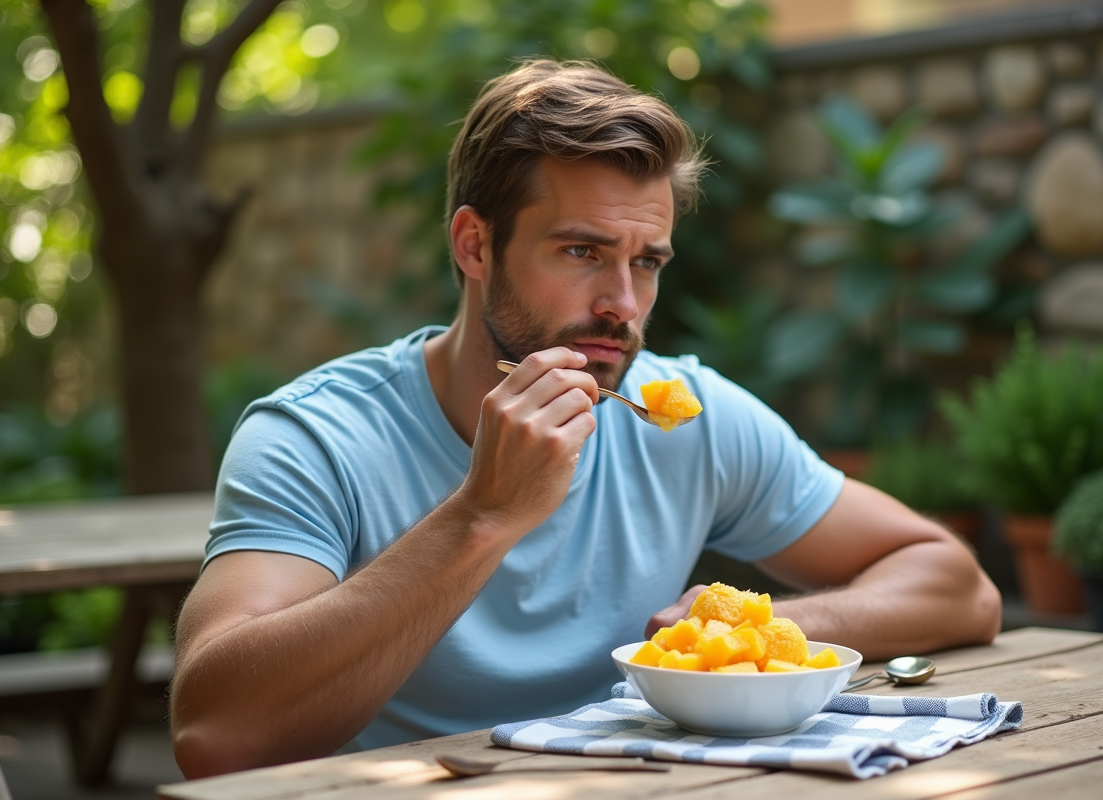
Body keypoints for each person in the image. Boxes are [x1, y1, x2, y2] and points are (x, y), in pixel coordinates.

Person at [170, 59, 1001, 779]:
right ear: (474, 246)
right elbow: (214, 734)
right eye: (582, 252)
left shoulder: (686, 417)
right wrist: (483, 516)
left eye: (646, 262)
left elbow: (957, 585)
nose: (623, 306)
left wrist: (748, 632)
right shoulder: (316, 438)